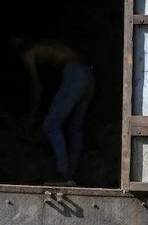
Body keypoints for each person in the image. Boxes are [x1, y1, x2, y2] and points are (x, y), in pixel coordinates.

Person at [10, 37, 95, 186]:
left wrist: (32, 115)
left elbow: (37, 87)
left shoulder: (29, 53)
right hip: (88, 75)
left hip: (75, 75)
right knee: (75, 128)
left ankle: (64, 174)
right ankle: (73, 175)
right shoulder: (49, 45)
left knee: (50, 125)